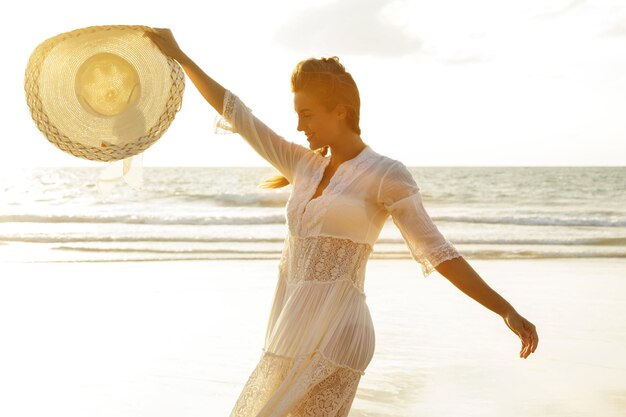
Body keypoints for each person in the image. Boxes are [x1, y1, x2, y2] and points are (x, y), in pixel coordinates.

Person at [144, 28, 539, 417]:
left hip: (339, 332)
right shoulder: (302, 164)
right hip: (290, 327)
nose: (300, 126)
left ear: (341, 111)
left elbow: (437, 252)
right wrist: (181, 56)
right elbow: (237, 114)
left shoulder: (386, 174)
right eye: (298, 115)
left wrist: (504, 310)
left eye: (307, 114)